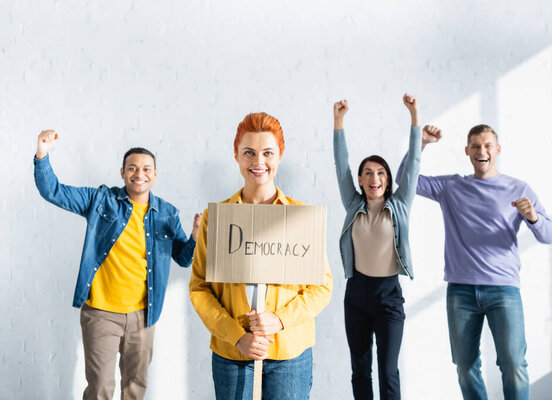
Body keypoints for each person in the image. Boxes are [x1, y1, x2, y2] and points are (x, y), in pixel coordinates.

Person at [33, 130, 201, 400]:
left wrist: (193, 236)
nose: (139, 174)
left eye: (146, 169)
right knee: (100, 387)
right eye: (132, 168)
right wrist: (42, 155)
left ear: (155, 175)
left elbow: (183, 258)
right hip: (101, 313)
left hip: (143, 316)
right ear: (122, 172)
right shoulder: (101, 200)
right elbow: (54, 191)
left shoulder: (167, 213)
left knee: (135, 388)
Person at [397, 124, 552, 400]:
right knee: (465, 367)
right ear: (467, 151)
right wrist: (419, 143)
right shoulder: (451, 186)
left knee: (514, 364)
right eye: (476, 146)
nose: (482, 151)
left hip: (503, 290)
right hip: (461, 291)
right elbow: (404, 178)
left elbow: (549, 235)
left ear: (497, 149)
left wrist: (533, 217)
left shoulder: (518, 188)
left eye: (487, 146)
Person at [189, 112, 333, 400]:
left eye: (268, 153)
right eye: (249, 153)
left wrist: (279, 320)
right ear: (236, 155)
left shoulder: (300, 218)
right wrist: (237, 336)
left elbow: (322, 287)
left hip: (290, 354)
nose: (258, 162)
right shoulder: (213, 219)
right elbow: (199, 289)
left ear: (280, 154)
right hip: (233, 353)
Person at [333, 95, 440, 400]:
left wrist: (415, 115)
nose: (374, 177)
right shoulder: (353, 204)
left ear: (389, 180)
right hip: (356, 294)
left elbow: (415, 164)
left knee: (388, 369)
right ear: (360, 180)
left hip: (388, 296)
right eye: (368, 172)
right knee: (360, 368)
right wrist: (338, 122)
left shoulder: (400, 204)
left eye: (380, 172)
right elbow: (341, 164)